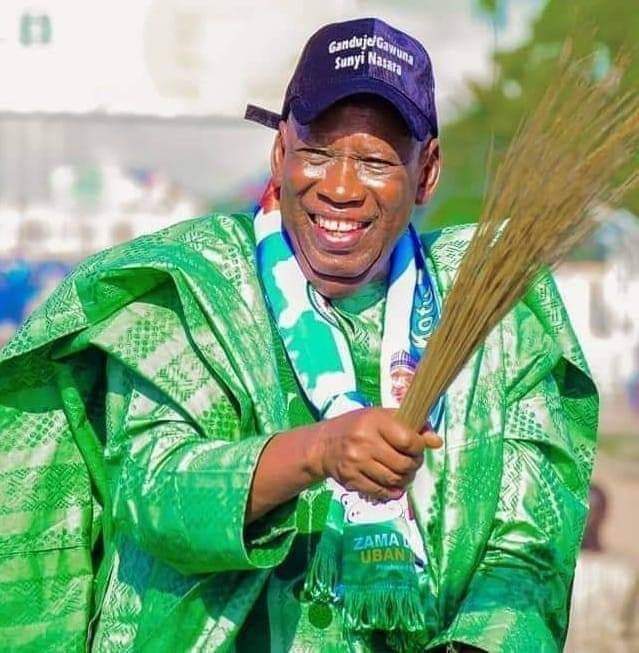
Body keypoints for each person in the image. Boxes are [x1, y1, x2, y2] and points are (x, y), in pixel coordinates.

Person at [0, 17, 598, 653]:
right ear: (281, 154)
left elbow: (529, 541)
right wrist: (319, 452)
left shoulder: (492, 308)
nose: (339, 189)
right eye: (317, 153)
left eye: (374, 161)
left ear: (426, 174)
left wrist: (479, 643)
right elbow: (157, 495)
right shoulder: (189, 289)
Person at [565, 484, 639, 652]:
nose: (586, 519)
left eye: (592, 512)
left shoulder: (625, 574)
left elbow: (633, 633)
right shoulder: (554, 570)